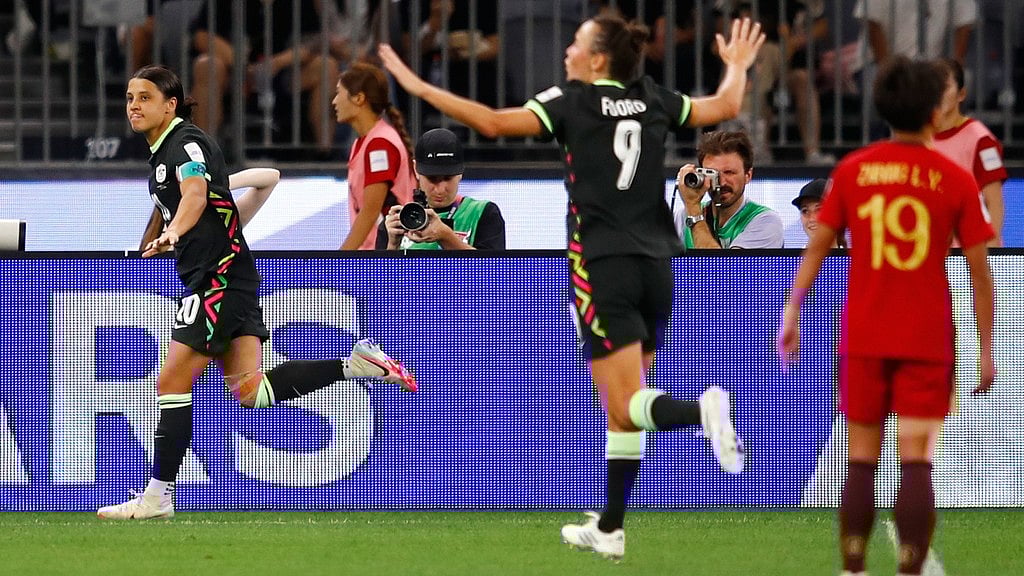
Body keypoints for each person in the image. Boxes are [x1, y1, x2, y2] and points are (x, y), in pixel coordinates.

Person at [379, 14, 764, 559]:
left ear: (598, 58)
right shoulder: (653, 97)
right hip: (658, 263)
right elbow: (724, 107)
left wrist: (418, 87)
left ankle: (702, 412)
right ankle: (610, 524)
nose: (567, 51)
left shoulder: (574, 100)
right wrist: (738, 68)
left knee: (626, 400)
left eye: (577, 43)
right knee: (620, 408)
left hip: (602, 265)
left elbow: (490, 122)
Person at [99, 65, 417, 520]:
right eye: (130, 96)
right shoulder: (169, 152)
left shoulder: (184, 143)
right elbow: (221, 202)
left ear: (170, 105)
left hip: (219, 281)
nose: (133, 105)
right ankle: (354, 365)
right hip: (233, 276)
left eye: (145, 97)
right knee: (251, 390)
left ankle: (157, 496)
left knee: (171, 381)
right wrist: (215, 200)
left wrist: (175, 230)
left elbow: (192, 198)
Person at [777, 56, 995, 576]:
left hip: (865, 331)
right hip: (926, 333)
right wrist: (987, 347)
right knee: (916, 456)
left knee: (860, 457)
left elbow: (820, 246)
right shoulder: (953, 177)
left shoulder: (853, 171)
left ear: (879, 107)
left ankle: (853, 568)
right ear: (935, 109)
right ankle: (910, 569)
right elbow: (981, 272)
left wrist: (793, 308)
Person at [333, 62, 416, 250]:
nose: (334, 101)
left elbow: (370, 212)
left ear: (358, 98)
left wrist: (339, 260)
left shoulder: (380, 145)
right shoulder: (364, 143)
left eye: (339, 93)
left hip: (385, 255)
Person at [379, 128, 505, 251]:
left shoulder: (483, 213)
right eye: (432, 179)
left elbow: (493, 269)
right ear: (416, 169)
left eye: (448, 178)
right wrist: (392, 246)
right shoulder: (397, 222)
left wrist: (446, 236)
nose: (440, 190)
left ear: (461, 171)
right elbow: (379, 272)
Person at [933, 57, 1007, 247]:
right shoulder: (918, 138)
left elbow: (995, 204)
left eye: (945, 87)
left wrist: (989, 257)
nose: (938, 93)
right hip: (931, 259)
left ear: (961, 94)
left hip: (970, 258)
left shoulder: (981, 140)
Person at [674, 130, 784, 249]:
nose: (721, 182)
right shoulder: (681, 217)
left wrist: (693, 208)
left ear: (748, 175)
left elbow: (721, 267)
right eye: (712, 173)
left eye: (729, 172)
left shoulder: (766, 222)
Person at [791, 177, 846, 249]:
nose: (811, 219)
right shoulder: (794, 259)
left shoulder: (854, 259)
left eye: (820, 210)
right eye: (805, 211)